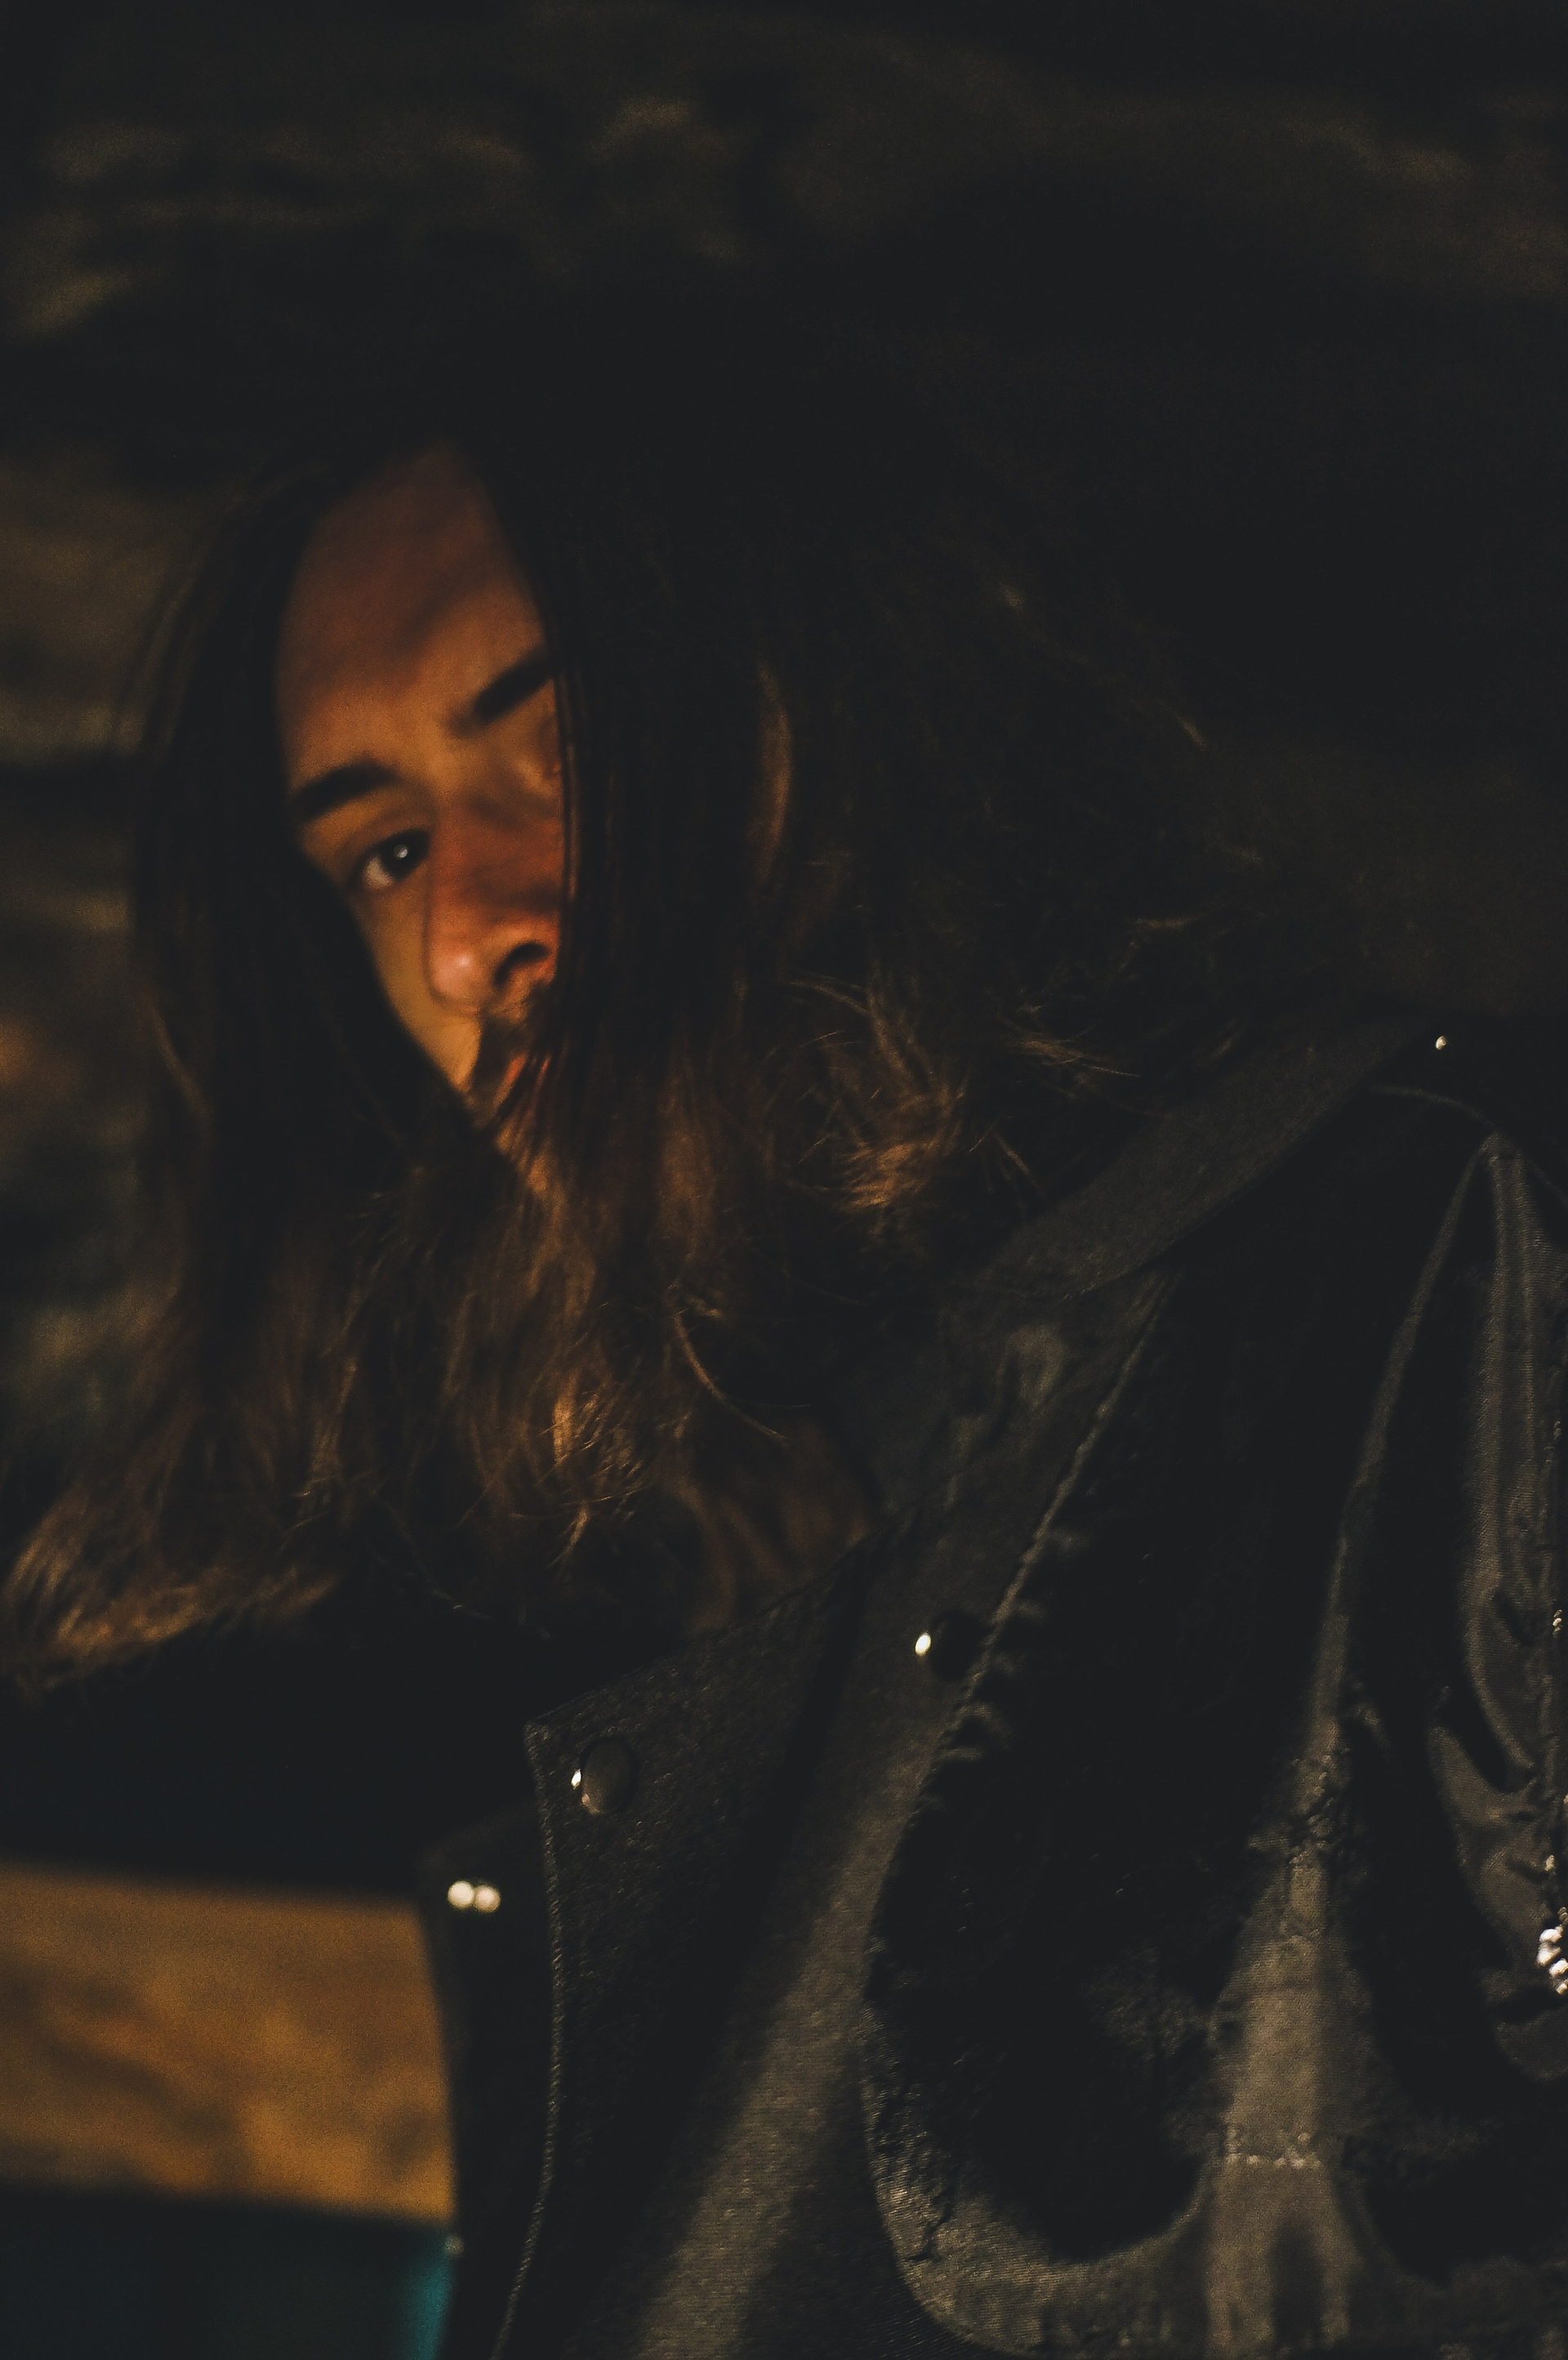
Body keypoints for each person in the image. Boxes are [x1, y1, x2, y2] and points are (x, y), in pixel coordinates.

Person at [7, 283, 1568, 2359]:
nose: (468, 931)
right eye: (383, 849)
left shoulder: (1469, 1270)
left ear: (851, 708)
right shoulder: (750, 1642)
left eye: (564, 743)